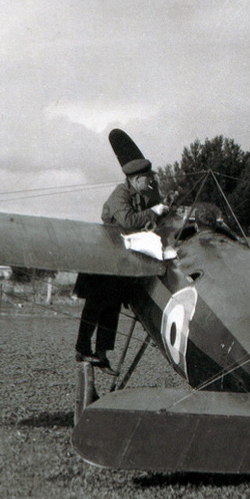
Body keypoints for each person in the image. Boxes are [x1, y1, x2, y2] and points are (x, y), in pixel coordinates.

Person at [74, 157, 168, 373]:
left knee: (112, 306)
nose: (151, 181)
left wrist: (157, 214)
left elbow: (143, 220)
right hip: (102, 257)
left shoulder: (142, 195)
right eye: (148, 178)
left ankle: (101, 354)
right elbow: (127, 221)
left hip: (119, 260)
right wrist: (155, 212)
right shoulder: (120, 194)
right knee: (94, 305)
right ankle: (82, 348)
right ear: (135, 179)